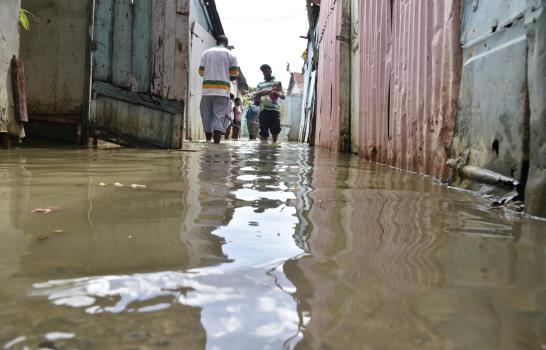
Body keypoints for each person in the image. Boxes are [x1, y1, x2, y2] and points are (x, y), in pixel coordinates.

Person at [198, 35, 240, 144]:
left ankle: (208, 141)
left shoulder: (206, 53)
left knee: (206, 115)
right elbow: (235, 75)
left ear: (216, 42)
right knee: (219, 117)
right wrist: (224, 76)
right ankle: (216, 144)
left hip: (207, 91)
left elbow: (201, 72)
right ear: (226, 43)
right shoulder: (231, 54)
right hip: (222, 91)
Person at [255, 64, 285, 142]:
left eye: (267, 70)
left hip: (274, 111)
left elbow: (283, 96)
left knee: (275, 131)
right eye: (263, 71)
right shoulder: (260, 84)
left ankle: (274, 147)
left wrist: (275, 92)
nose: (265, 72)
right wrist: (259, 97)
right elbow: (256, 97)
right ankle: (263, 150)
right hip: (263, 110)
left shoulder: (277, 83)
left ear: (271, 71)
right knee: (263, 133)